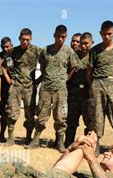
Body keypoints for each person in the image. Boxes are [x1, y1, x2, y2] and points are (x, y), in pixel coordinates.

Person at [27, 24, 79, 152]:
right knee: (41, 115)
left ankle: (60, 142)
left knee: (61, 116)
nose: (60, 39)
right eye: (58, 36)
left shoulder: (69, 52)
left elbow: (74, 67)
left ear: (65, 37)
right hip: (46, 88)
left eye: (62, 37)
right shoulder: (46, 50)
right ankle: (36, 139)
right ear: (54, 35)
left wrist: (66, 78)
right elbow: (42, 66)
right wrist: (45, 77)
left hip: (60, 90)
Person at [86, 20, 113, 149]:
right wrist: (93, 86)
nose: (107, 36)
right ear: (100, 33)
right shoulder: (95, 50)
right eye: (104, 34)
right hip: (98, 82)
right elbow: (89, 71)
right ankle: (95, 145)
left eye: (109, 34)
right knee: (97, 116)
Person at [2, 28, 42, 145]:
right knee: (12, 112)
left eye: (27, 40)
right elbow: (5, 66)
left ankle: (28, 138)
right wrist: (9, 78)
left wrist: (39, 79)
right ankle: (10, 138)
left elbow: (47, 63)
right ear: (19, 38)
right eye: (23, 39)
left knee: (30, 114)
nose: (25, 42)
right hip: (16, 87)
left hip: (30, 87)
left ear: (31, 39)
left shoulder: (36, 50)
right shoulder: (12, 52)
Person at [65, 32, 94, 147]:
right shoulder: (73, 55)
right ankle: (68, 143)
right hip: (74, 92)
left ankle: (88, 145)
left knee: (89, 122)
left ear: (92, 43)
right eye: (81, 43)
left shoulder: (93, 56)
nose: (83, 46)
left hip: (87, 93)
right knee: (71, 121)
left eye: (86, 43)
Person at [0, 37, 13, 142]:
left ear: (11, 45)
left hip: (7, 90)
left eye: (7, 46)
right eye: (3, 47)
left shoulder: (12, 57)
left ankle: (2, 134)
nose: (5, 49)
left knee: (5, 115)